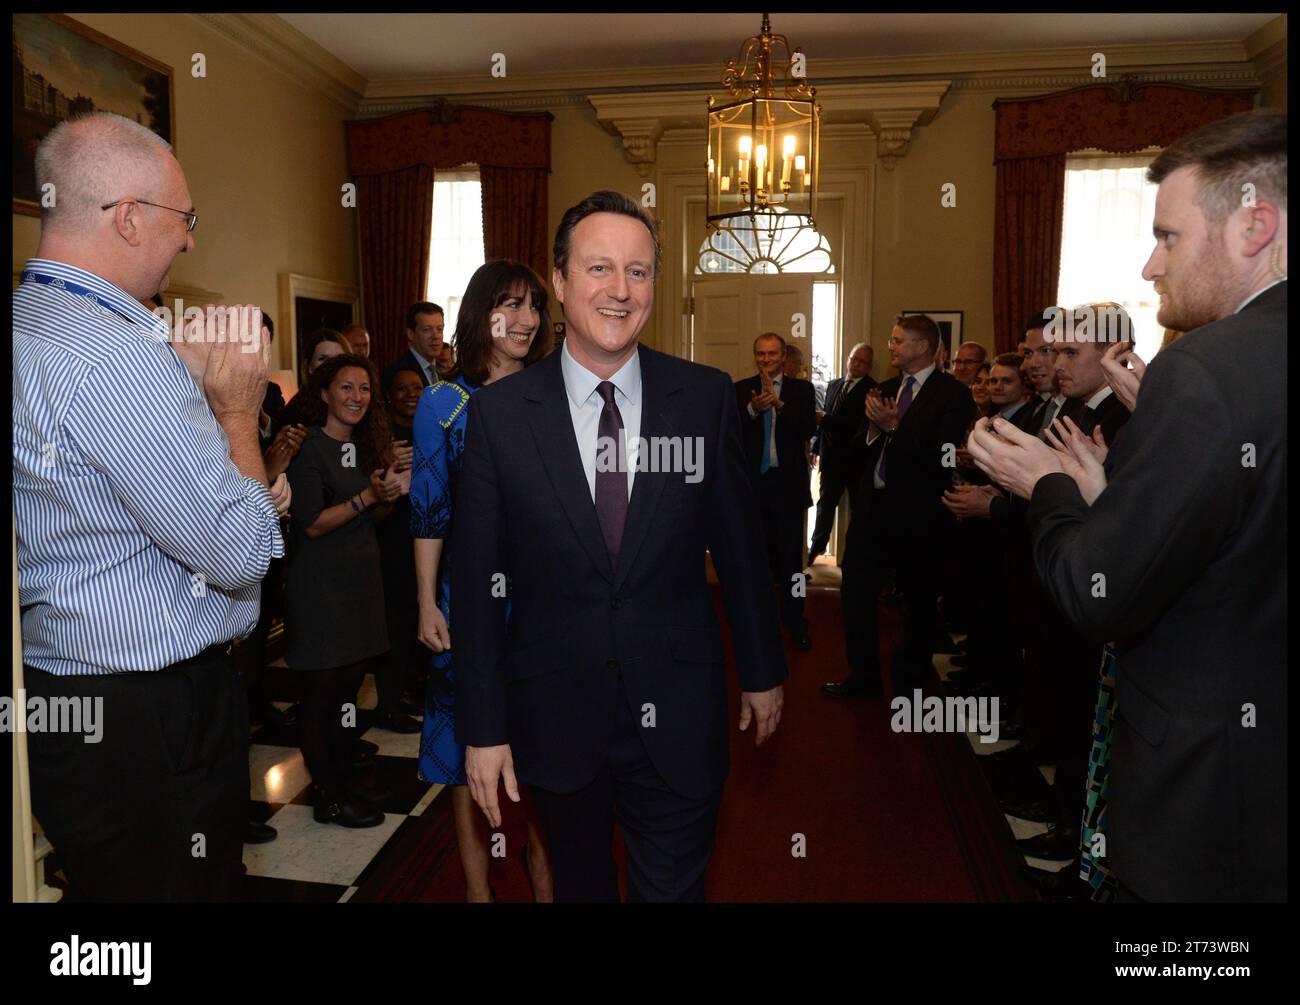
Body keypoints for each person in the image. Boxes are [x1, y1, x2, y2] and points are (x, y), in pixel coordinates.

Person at [967, 110, 1286, 902]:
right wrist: (1121, 496)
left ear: (1254, 225)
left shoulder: (1205, 370)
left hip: (1203, 795)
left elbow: (1097, 593)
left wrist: (1049, 483)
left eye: (1169, 236)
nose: (1150, 265)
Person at [454, 191, 787, 902]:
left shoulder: (700, 399)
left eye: (638, 271)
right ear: (561, 281)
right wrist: (481, 728)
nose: (619, 289)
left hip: (680, 707)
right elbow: (478, 584)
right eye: (600, 267)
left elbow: (739, 547)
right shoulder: (501, 418)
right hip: (555, 716)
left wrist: (762, 668)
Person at [15, 112, 286, 900]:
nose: (191, 241)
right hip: (150, 713)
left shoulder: (29, 324)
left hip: (65, 693)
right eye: (184, 219)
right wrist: (236, 412)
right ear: (128, 217)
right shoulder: (115, 360)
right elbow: (239, 553)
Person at [411, 260, 556, 902]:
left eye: (533, 306)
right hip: (468, 603)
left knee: (550, 760)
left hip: (548, 604)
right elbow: (428, 508)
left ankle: (549, 888)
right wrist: (424, 601)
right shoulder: (444, 403)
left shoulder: (559, 392)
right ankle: (479, 895)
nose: (524, 319)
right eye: (509, 305)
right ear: (480, 313)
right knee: (466, 762)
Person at [824, 313, 975, 699]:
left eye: (897, 341)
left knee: (918, 602)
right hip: (872, 511)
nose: (890, 347)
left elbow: (944, 456)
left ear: (922, 347)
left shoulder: (953, 393)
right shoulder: (886, 388)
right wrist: (875, 430)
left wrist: (895, 430)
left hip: (920, 517)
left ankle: (909, 684)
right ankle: (863, 677)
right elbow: (858, 451)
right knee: (856, 594)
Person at [284, 353, 407, 827]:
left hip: (360, 588)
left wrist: (387, 497)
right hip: (321, 591)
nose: (357, 397)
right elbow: (312, 524)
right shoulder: (309, 448)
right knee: (321, 697)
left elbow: (363, 521)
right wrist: (368, 497)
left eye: (364, 389)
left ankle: (341, 782)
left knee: (347, 696)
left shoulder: (362, 447)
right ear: (323, 395)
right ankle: (328, 796)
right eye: (346, 387)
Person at [736, 332, 818, 649]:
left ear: (783, 357)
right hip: (753, 489)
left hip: (788, 490)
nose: (766, 360)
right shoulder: (741, 389)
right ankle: (757, 624)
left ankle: (796, 622)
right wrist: (754, 410)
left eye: (772, 354)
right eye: (761, 354)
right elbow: (730, 429)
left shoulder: (802, 389)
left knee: (791, 567)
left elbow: (808, 428)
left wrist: (779, 405)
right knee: (754, 561)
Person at [371, 366, 426, 733]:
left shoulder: (431, 428)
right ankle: (388, 704)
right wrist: (387, 461)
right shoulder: (378, 436)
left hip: (425, 538)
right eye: (402, 389)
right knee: (394, 625)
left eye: (417, 387)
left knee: (419, 620)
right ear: (389, 395)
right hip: (389, 540)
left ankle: (413, 690)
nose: (410, 394)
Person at [808, 342, 875, 566]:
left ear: (869, 366)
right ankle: (814, 551)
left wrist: (824, 418)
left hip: (856, 461)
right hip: (830, 458)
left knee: (859, 510)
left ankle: (854, 558)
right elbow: (823, 425)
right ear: (847, 359)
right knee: (825, 507)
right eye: (853, 359)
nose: (856, 364)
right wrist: (816, 448)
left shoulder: (873, 389)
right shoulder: (834, 384)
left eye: (862, 361)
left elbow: (858, 424)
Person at [274, 327, 353, 434]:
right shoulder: (296, 412)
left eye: (338, 359)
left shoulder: (357, 400)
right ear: (309, 366)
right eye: (322, 359)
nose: (331, 364)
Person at [382, 301, 444, 389]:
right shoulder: (396, 372)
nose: (436, 336)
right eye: (427, 330)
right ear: (411, 334)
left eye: (439, 329)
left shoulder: (446, 371)